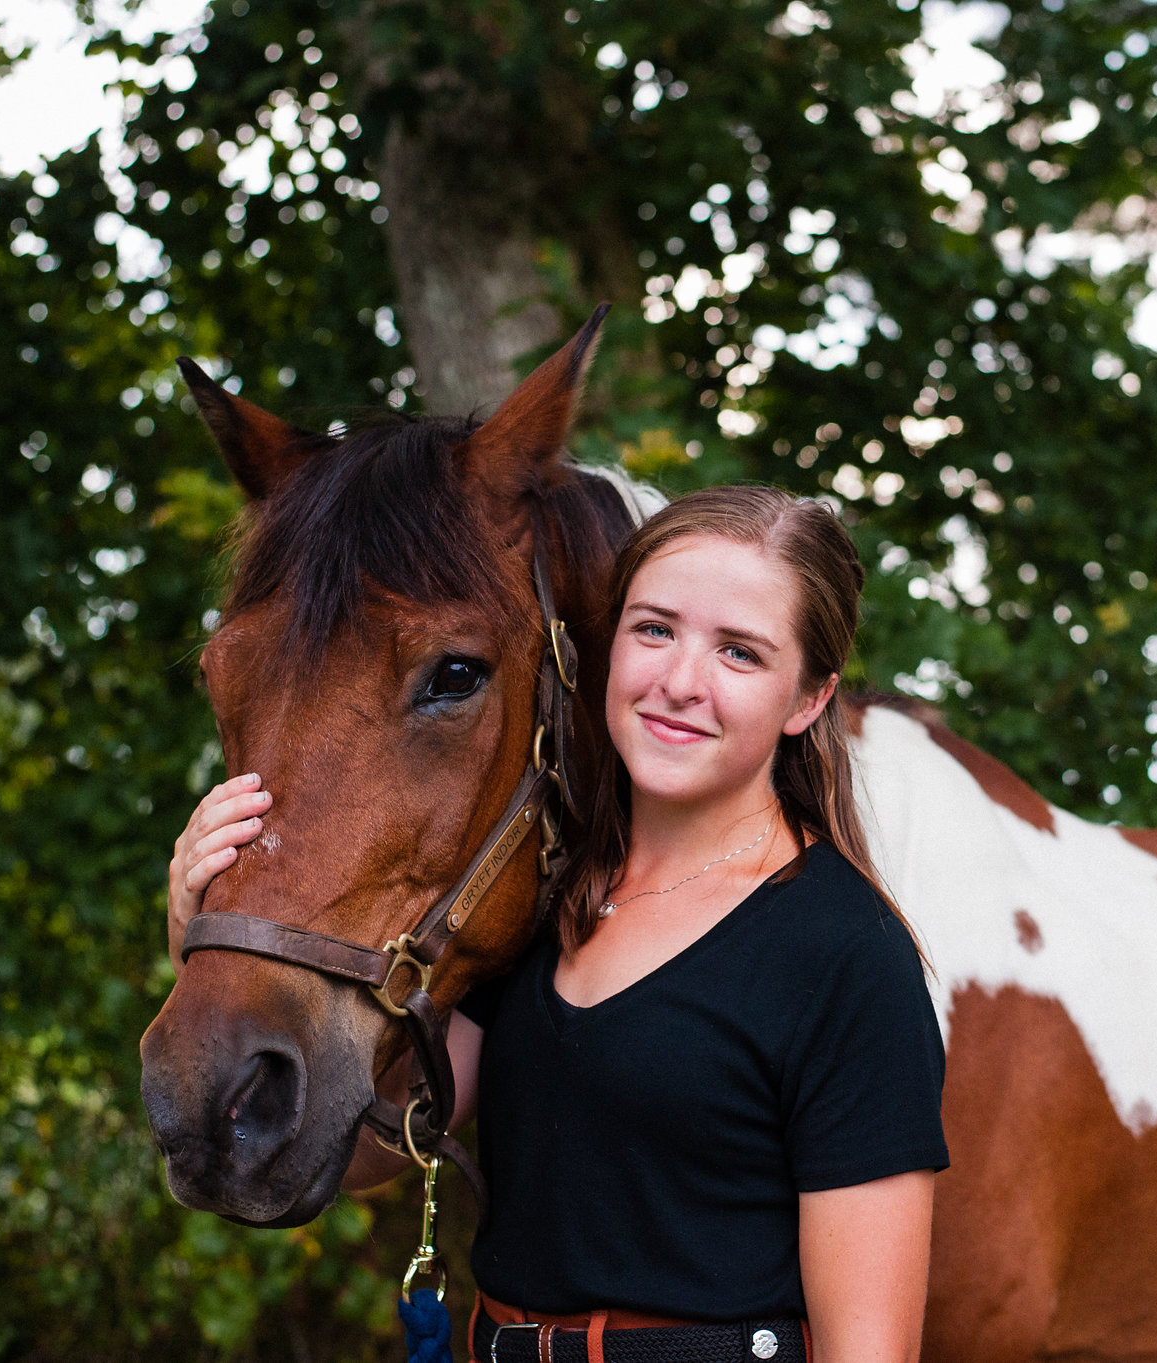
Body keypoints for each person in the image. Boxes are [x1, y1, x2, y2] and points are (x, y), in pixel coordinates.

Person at [168, 485, 947, 1363]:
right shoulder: (544, 904)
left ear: (807, 699)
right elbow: (358, 1151)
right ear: (600, 647)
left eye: (739, 651)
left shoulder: (845, 955)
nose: (679, 682)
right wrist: (204, 936)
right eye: (654, 629)